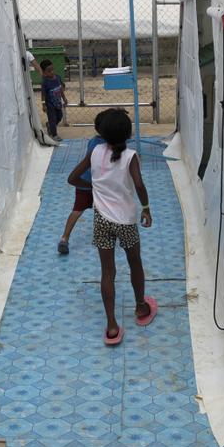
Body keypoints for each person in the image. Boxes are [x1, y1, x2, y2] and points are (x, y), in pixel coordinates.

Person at [67, 109, 156, 345]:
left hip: (101, 220)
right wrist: (146, 207)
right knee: (135, 263)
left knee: (107, 272)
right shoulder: (130, 156)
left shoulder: (95, 151)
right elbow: (138, 185)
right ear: (128, 134)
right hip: (125, 220)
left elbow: (72, 178)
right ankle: (140, 308)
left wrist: (94, 186)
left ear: (102, 134)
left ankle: (112, 326)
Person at [57, 112, 110, 255]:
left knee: (77, 210)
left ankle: (64, 238)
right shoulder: (106, 146)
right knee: (104, 209)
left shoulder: (93, 140)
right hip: (97, 183)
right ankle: (106, 235)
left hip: (83, 182)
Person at [39, 59, 66, 139]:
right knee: (52, 120)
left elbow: (61, 89)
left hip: (58, 103)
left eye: (52, 69)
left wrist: (64, 98)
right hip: (50, 105)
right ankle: (54, 135)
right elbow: (43, 95)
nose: (52, 72)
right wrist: (43, 105)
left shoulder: (57, 78)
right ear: (44, 72)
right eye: (49, 71)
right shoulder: (45, 82)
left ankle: (49, 125)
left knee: (60, 116)